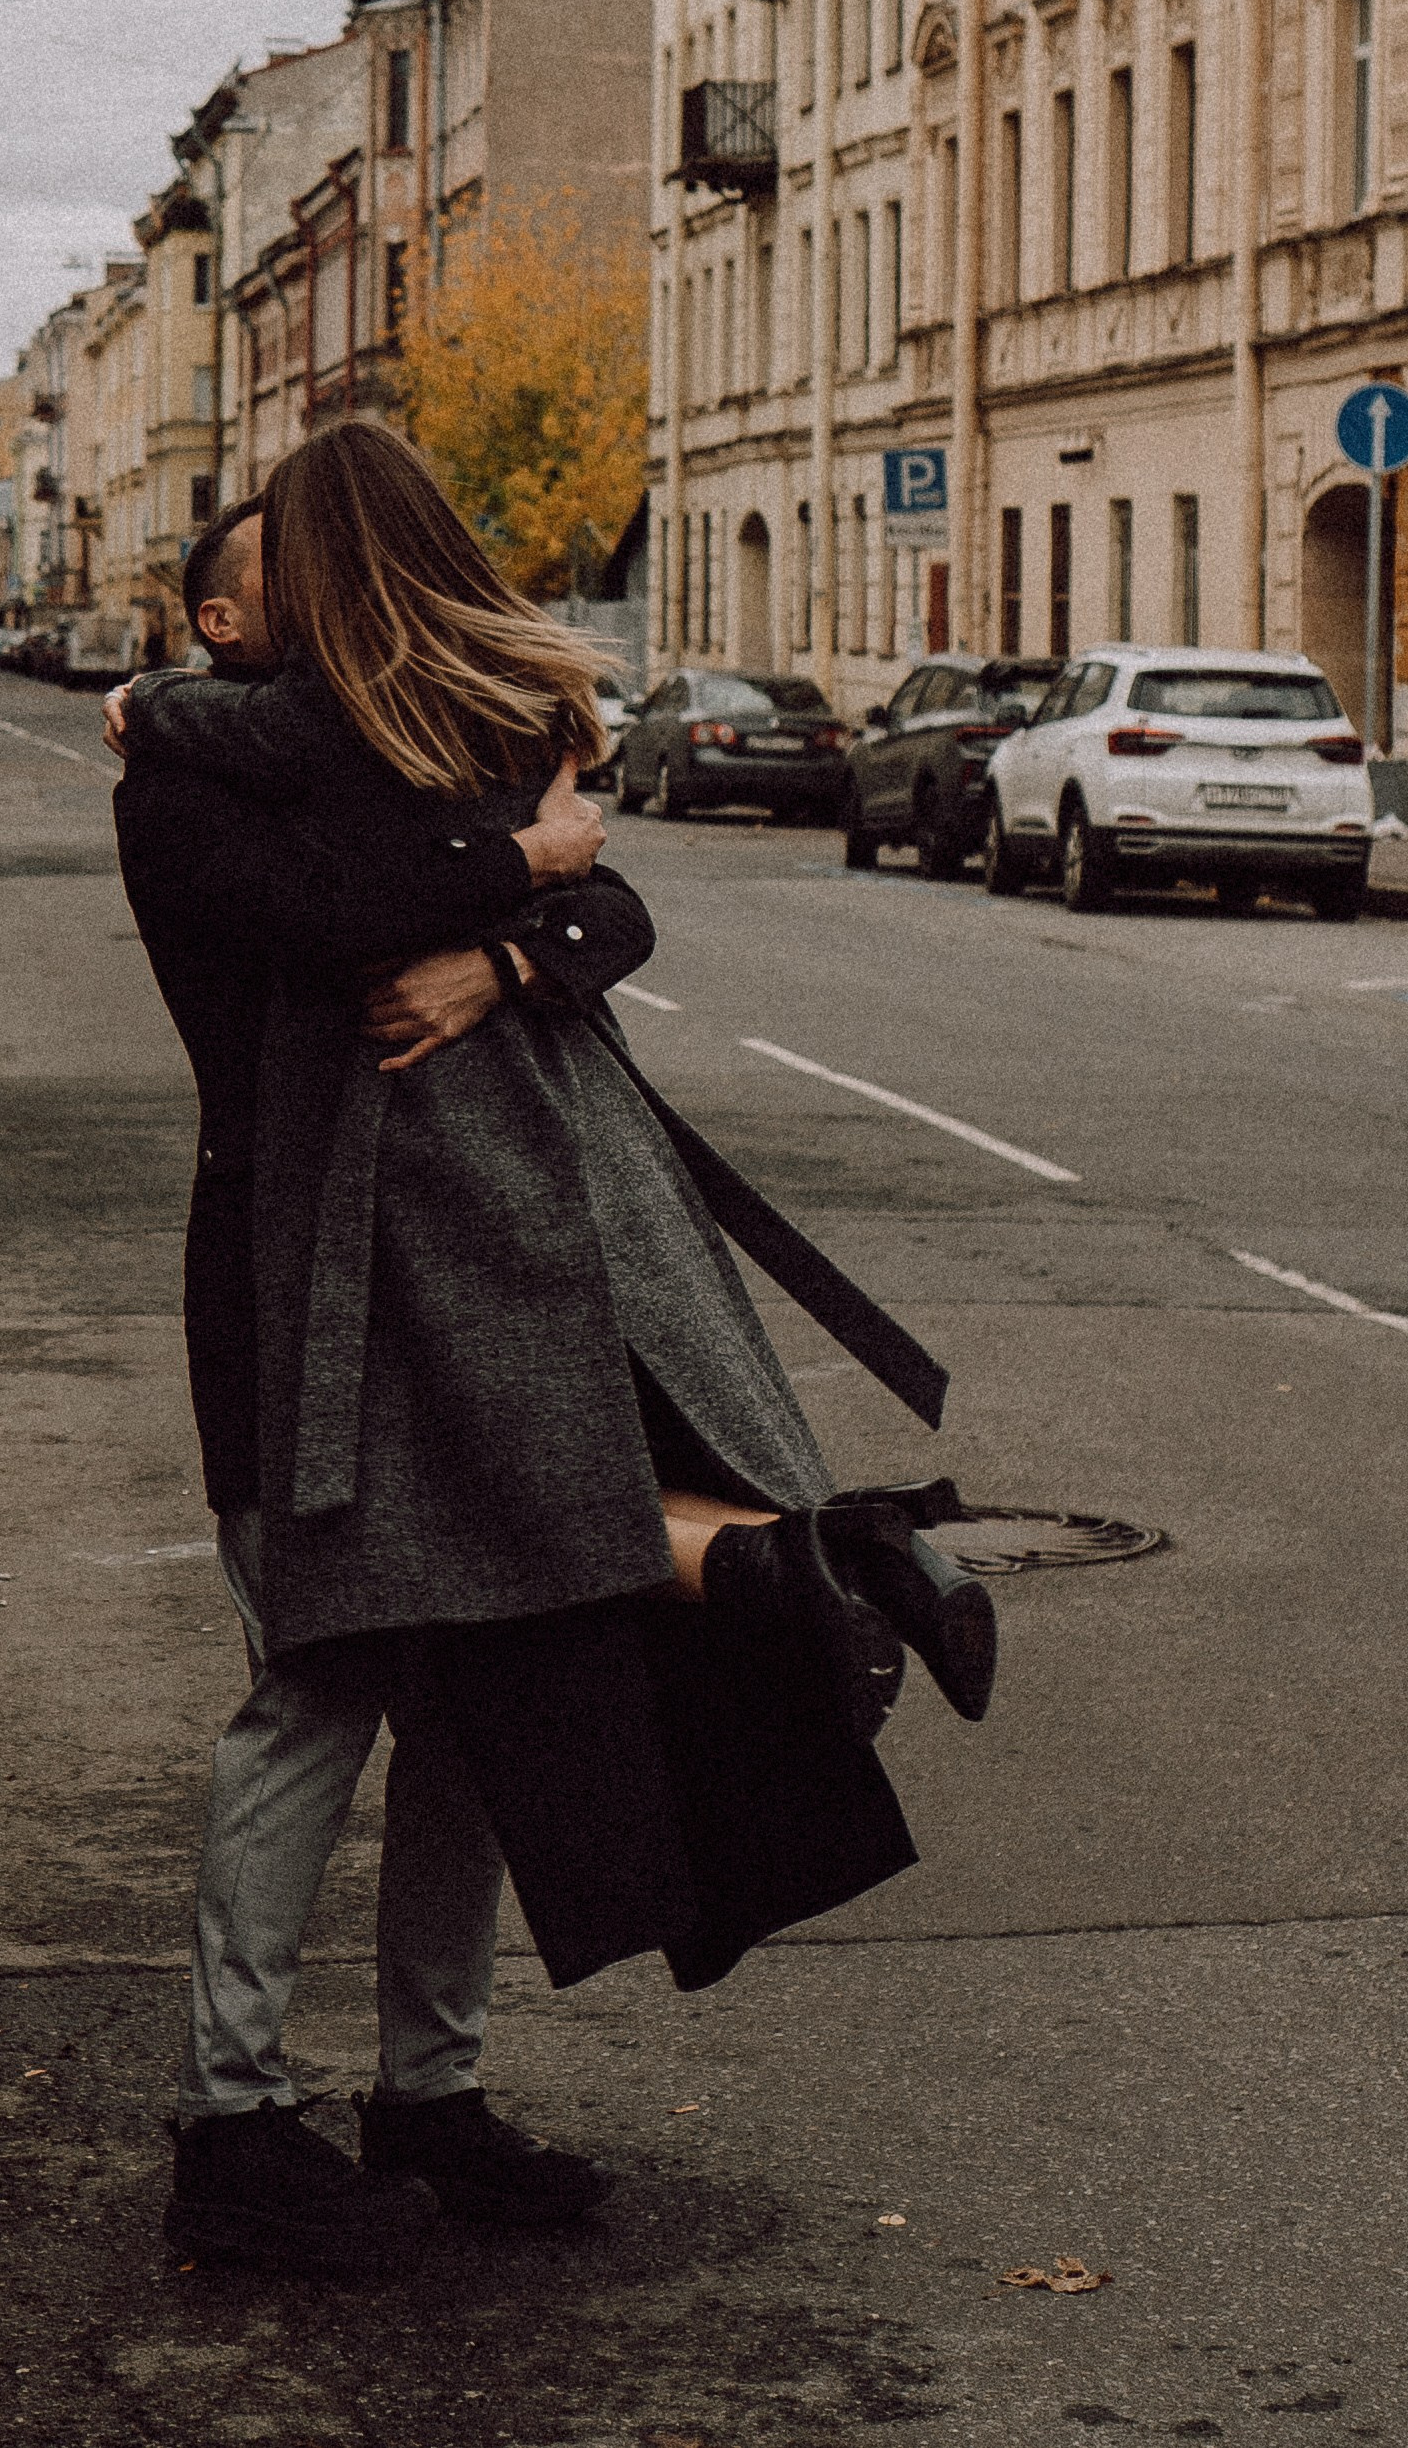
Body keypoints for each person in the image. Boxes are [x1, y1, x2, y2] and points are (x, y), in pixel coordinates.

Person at [112, 432, 994, 2282]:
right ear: (233, 608)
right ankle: (230, 2119)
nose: (290, 596)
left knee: (479, 1698)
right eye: (262, 575)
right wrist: (523, 851)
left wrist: (512, 945)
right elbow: (333, 911)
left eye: (308, 563)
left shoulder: (430, 751)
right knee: (315, 1689)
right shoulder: (188, 773)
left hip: (470, 1290)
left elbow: (609, 916)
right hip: (290, 1296)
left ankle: (429, 2092)